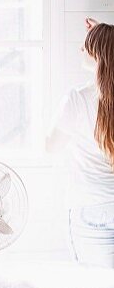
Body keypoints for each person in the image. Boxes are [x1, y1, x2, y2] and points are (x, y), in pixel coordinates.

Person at [46, 18, 114, 267]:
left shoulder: (76, 99)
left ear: (96, 54)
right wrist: (105, 37)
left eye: (85, 46)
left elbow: (50, 147)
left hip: (89, 207)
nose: (80, 50)